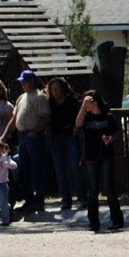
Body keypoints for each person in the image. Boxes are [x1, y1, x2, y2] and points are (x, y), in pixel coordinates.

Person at [76, 89, 125, 233]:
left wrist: (111, 139)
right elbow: (78, 124)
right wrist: (83, 107)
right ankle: (93, 222)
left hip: (106, 156)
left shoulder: (107, 116)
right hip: (90, 157)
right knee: (93, 190)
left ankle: (117, 220)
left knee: (109, 189)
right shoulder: (86, 117)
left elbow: (117, 133)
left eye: (87, 102)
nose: (85, 104)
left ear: (94, 102)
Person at [8, 68, 51, 216]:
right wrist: (3, 136)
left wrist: (36, 130)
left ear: (32, 81)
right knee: (24, 169)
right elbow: (14, 119)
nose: (23, 85)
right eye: (22, 82)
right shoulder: (21, 97)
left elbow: (46, 117)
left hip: (34, 136)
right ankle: (29, 200)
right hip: (22, 136)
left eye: (25, 82)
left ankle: (38, 200)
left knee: (36, 168)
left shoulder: (40, 97)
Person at [46, 76, 85, 215]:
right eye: (52, 89)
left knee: (75, 168)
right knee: (60, 170)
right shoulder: (49, 103)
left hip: (70, 137)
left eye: (57, 88)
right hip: (56, 138)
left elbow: (80, 115)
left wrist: (76, 128)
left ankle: (82, 198)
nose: (55, 92)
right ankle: (66, 200)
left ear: (63, 88)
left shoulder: (71, 101)